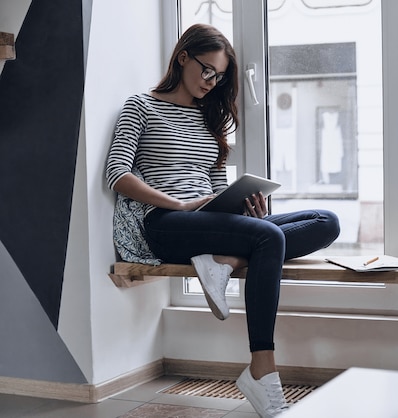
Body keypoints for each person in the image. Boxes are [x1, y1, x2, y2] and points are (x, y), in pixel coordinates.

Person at [105, 23, 340, 418]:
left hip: (208, 218)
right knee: (268, 240)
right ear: (183, 57)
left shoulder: (209, 120)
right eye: (207, 71)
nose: (211, 82)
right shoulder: (140, 106)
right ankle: (262, 369)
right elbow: (117, 173)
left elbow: (216, 186)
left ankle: (226, 262)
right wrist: (177, 205)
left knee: (326, 221)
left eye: (219, 76)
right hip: (166, 223)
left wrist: (247, 206)